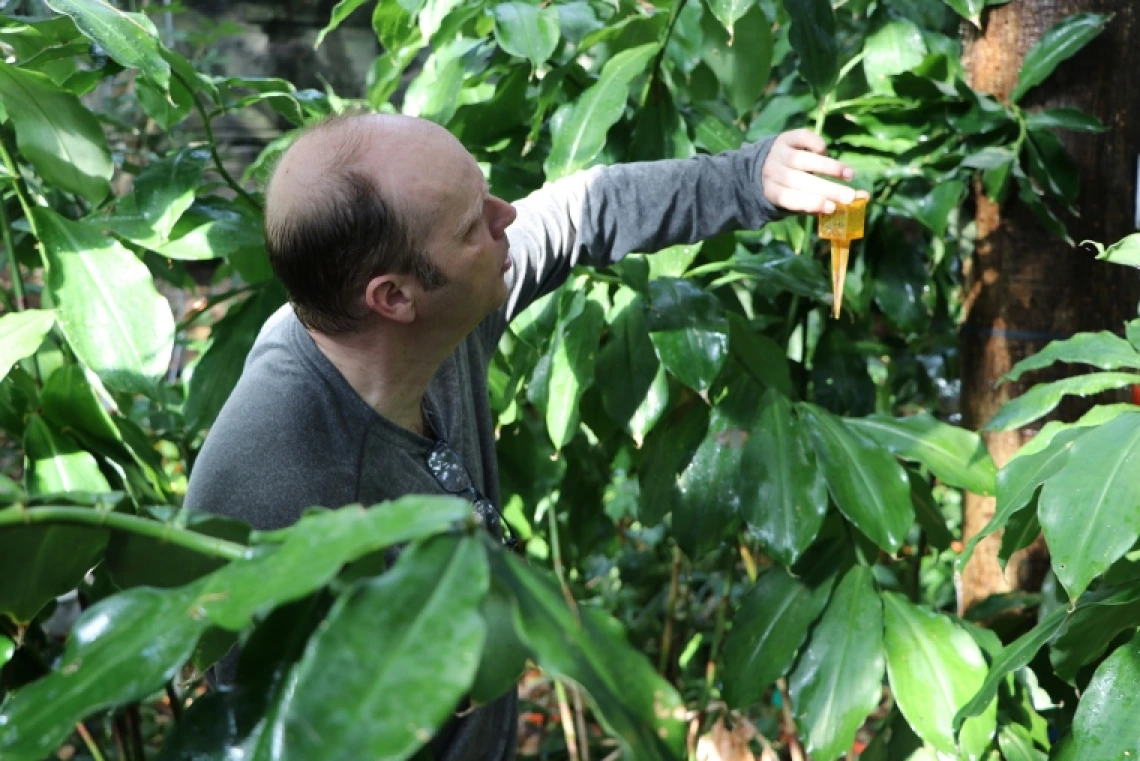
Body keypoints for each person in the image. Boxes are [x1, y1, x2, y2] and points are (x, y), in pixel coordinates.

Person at [184, 110, 869, 760]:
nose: (506, 215)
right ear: (393, 297)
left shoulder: (417, 326)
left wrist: (750, 178)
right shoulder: (271, 491)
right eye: (471, 224)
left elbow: (580, 211)